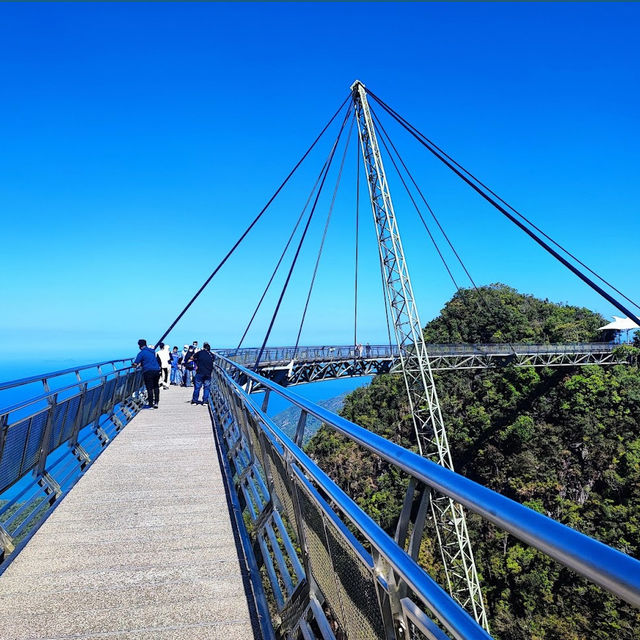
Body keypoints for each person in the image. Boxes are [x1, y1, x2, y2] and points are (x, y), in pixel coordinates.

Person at [133, 339, 161, 409]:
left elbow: (135, 363)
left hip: (148, 371)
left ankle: (150, 404)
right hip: (156, 370)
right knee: (156, 386)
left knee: (149, 388)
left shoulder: (141, 353)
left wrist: (134, 365)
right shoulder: (152, 351)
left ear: (139, 345)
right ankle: (156, 402)